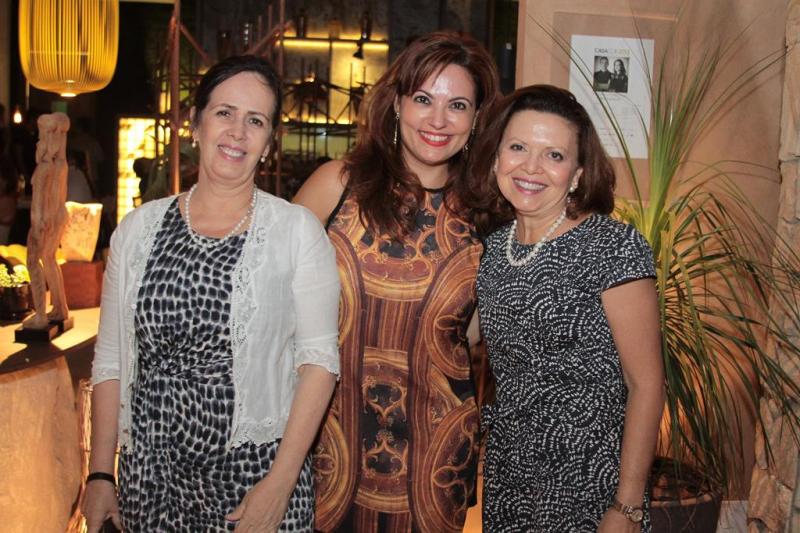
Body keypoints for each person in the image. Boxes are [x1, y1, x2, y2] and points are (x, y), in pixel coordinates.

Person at [81, 55, 341, 532]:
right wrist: (100, 473)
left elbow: (320, 363)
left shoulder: (296, 231)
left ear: (269, 142)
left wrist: (280, 485)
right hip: (150, 480)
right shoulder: (137, 231)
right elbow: (112, 360)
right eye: (225, 112)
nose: (238, 131)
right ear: (196, 123)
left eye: (255, 120)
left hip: (254, 480)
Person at [294, 32, 499, 533]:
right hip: (325, 445)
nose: (438, 120)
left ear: (476, 119)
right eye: (423, 99)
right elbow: (268, 299)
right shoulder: (337, 186)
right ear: (397, 104)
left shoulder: (489, 214)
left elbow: (475, 334)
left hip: (435, 461)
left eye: (457, 105)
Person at [472, 85, 664, 532]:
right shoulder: (493, 249)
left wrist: (627, 506)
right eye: (518, 147)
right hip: (510, 476)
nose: (531, 167)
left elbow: (647, 385)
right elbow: (458, 337)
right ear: (496, 158)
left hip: (591, 481)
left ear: (576, 173)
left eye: (554, 155)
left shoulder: (612, 247)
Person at [23, 112, 70, 330]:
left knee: (33, 261)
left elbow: (38, 202)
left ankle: (40, 314)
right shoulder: (61, 164)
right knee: (49, 259)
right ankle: (60, 307)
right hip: (58, 216)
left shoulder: (44, 168)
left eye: (41, 136)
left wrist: (37, 224)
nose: (38, 142)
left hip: (44, 219)